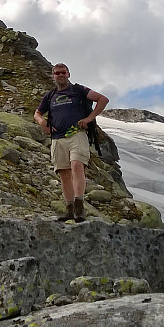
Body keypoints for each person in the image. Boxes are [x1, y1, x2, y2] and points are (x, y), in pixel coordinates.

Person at [34, 63, 109, 222]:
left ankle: (79, 205)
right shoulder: (50, 96)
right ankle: (69, 209)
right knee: (63, 173)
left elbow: (102, 99)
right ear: (53, 76)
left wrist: (89, 119)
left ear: (68, 74)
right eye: (57, 73)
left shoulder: (78, 90)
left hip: (77, 134)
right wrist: (42, 122)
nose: (60, 75)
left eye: (63, 72)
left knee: (76, 164)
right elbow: (37, 113)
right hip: (57, 137)